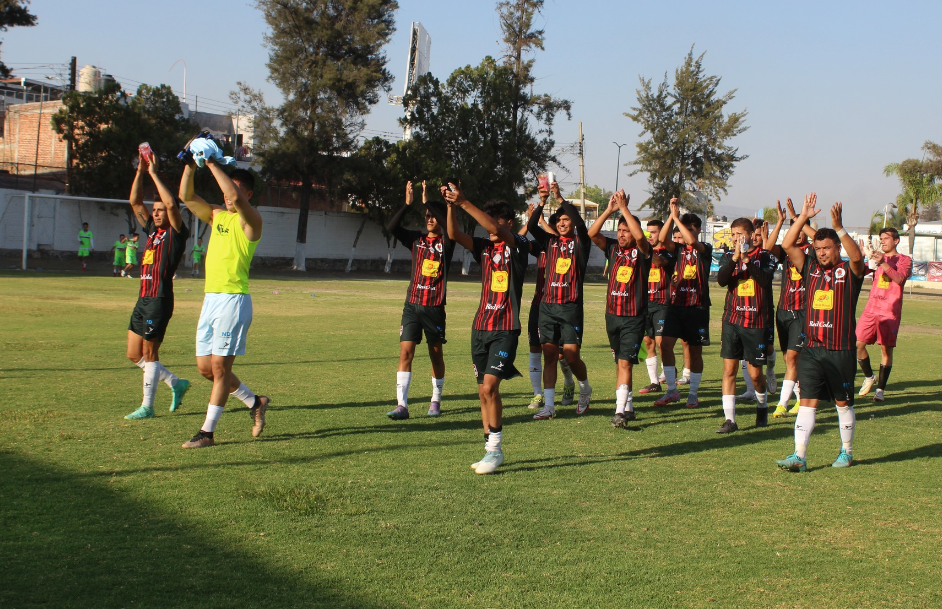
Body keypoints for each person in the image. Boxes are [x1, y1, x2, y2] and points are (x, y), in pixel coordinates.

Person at [177, 151, 269, 449]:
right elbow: (186, 195)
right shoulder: (217, 214)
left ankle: (207, 433)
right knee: (205, 368)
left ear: (248, 193)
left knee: (219, 368)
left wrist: (214, 163)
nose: (229, 194)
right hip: (210, 300)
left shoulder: (252, 221)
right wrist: (193, 164)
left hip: (233, 300)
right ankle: (255, 401)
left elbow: (237, 199)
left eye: (236, 188)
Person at [776, 193, 865, 472]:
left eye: (827, 248)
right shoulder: (810, 266)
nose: (821, 252)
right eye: (818, 248)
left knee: (842, 403)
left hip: (840, 350)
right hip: (812, 349)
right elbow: (787, 243)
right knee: (807, 403)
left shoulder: (849, 271)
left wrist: (839, 228)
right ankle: (799, 456)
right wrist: (802, 217)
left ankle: (846, 452)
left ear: (836, 248)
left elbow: (858, 257)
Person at [445, 185, 528, 474]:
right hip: (480, 326)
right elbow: (454, 235)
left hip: (506, 329)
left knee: (491, 387)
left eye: (496, 220)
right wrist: (451, 206)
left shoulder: (519, 246)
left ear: (509, 224)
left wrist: (465, 201)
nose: (489, 225)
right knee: (482, 392)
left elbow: (491, 225)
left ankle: (496, 450)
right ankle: (487, 447)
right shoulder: (485, 248)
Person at [123, 151, 191, 420]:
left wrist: (154, 172)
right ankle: (175, 382)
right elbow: (134, 201)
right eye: (155, 211)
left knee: (150, 353)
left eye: (160, 210)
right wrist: (140, 170)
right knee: (133, 354)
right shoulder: (152, 231)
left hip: (159, 300)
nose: (157, 213)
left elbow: (173, 205)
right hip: (143, 299)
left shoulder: (176, 234)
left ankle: (148, 407)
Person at [386, 180, 454, 420]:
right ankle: (402, 405)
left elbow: (448, 225)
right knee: (406, 353)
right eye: (426, 215)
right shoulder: (416, 240)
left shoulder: (448, 242)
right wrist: (407, 205)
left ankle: (435, 399)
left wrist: (430, 201)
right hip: (412, 306)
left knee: (436, 355)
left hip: (434, 308)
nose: (429, 219)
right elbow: (392, 227)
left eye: (433, 215)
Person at [527, 180, 593, 419]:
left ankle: (585, 387)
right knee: (550, 355)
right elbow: (533, 224)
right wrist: (543, 202)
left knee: (572, 355)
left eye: (567, 220)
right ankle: (549, 406)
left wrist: (561, 198)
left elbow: (582, 225)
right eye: (559, 220)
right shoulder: (549, 242)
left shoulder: (580, 243)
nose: (563, 223)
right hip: (547, 307)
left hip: (570, 308)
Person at [588, 191, 651, 426]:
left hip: (633, 317)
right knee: (620, 363)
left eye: (626, 231)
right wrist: (609, 211)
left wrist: (624, 209)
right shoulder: (613, 248)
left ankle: (619, 412)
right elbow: (591, 233)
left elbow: (642, 238)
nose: (621, 234)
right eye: (620, 230)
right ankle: (628, 405)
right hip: (611, 315)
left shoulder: (643, 252)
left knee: (625, 362)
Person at [715, 217, 778, 432]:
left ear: (752, 234)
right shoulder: (727, 257)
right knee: (729, 370)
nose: (735, 238)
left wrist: (748, 261)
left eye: (740, 234)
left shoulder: (766, 256)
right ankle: (730, 420)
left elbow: (764, 281)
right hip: (732, 320)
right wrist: (735, 258)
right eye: (733, 235)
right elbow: (722, 280)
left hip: (757, 322)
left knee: (754, 375)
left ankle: (762, 406)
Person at [654, 200, 711, 408]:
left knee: (695, 352)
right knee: (665, 345)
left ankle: (693, 393)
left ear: (698, 230)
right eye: (684, 231)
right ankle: (671, 390)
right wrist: (672, 215)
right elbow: (662, 238)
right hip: (676, 307)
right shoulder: (677, 249)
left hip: (697, 308)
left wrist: (678, 219)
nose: (687, 234)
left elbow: (694, 243)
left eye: (691, 230)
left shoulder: (705, 248)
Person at [765, 199, 817, 418]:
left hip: (802, 312)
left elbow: (817, 236)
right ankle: (799, 399)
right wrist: (780, 222)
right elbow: (767, 248)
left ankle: (782, 403)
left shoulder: (813, 251)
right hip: (783, 311)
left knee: (794, 358)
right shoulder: (786, 253)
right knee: (789, 359)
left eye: (800, 230)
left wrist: (799, 218)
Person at [520, 200, 571, 410]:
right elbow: (518, 239)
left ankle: (568, 383)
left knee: (560, 354)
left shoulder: (567, 247)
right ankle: (538, 394)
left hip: (560, 306)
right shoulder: (540, 248)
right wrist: (530, 220)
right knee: (535, 348)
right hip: (539, 305)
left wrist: (540, 221)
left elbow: (556, 236)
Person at [856, 227, 912, 401]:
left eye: (886, 238)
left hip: (889, 311)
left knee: (885, 350)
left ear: (896, 241)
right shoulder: (876, 258)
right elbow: (859, 273)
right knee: (856, 344)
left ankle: (880, 389)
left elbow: (899, 279)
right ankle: (869, 376)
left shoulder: (904, 259)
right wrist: (861, 257)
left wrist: (883, 262)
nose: (883, 241)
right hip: (872, 308)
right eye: (881, 238)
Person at [639, 219, 674, 395]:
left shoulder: (669, 251)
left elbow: (660, 262)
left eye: (653, 232)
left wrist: (647, 250)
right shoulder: (643, 252)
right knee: (647, 341)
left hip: (663, 302)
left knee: (662, 343)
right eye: (648, 232)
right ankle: (654, 382)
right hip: (646, 303)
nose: (649, 235)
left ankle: (670, 381)